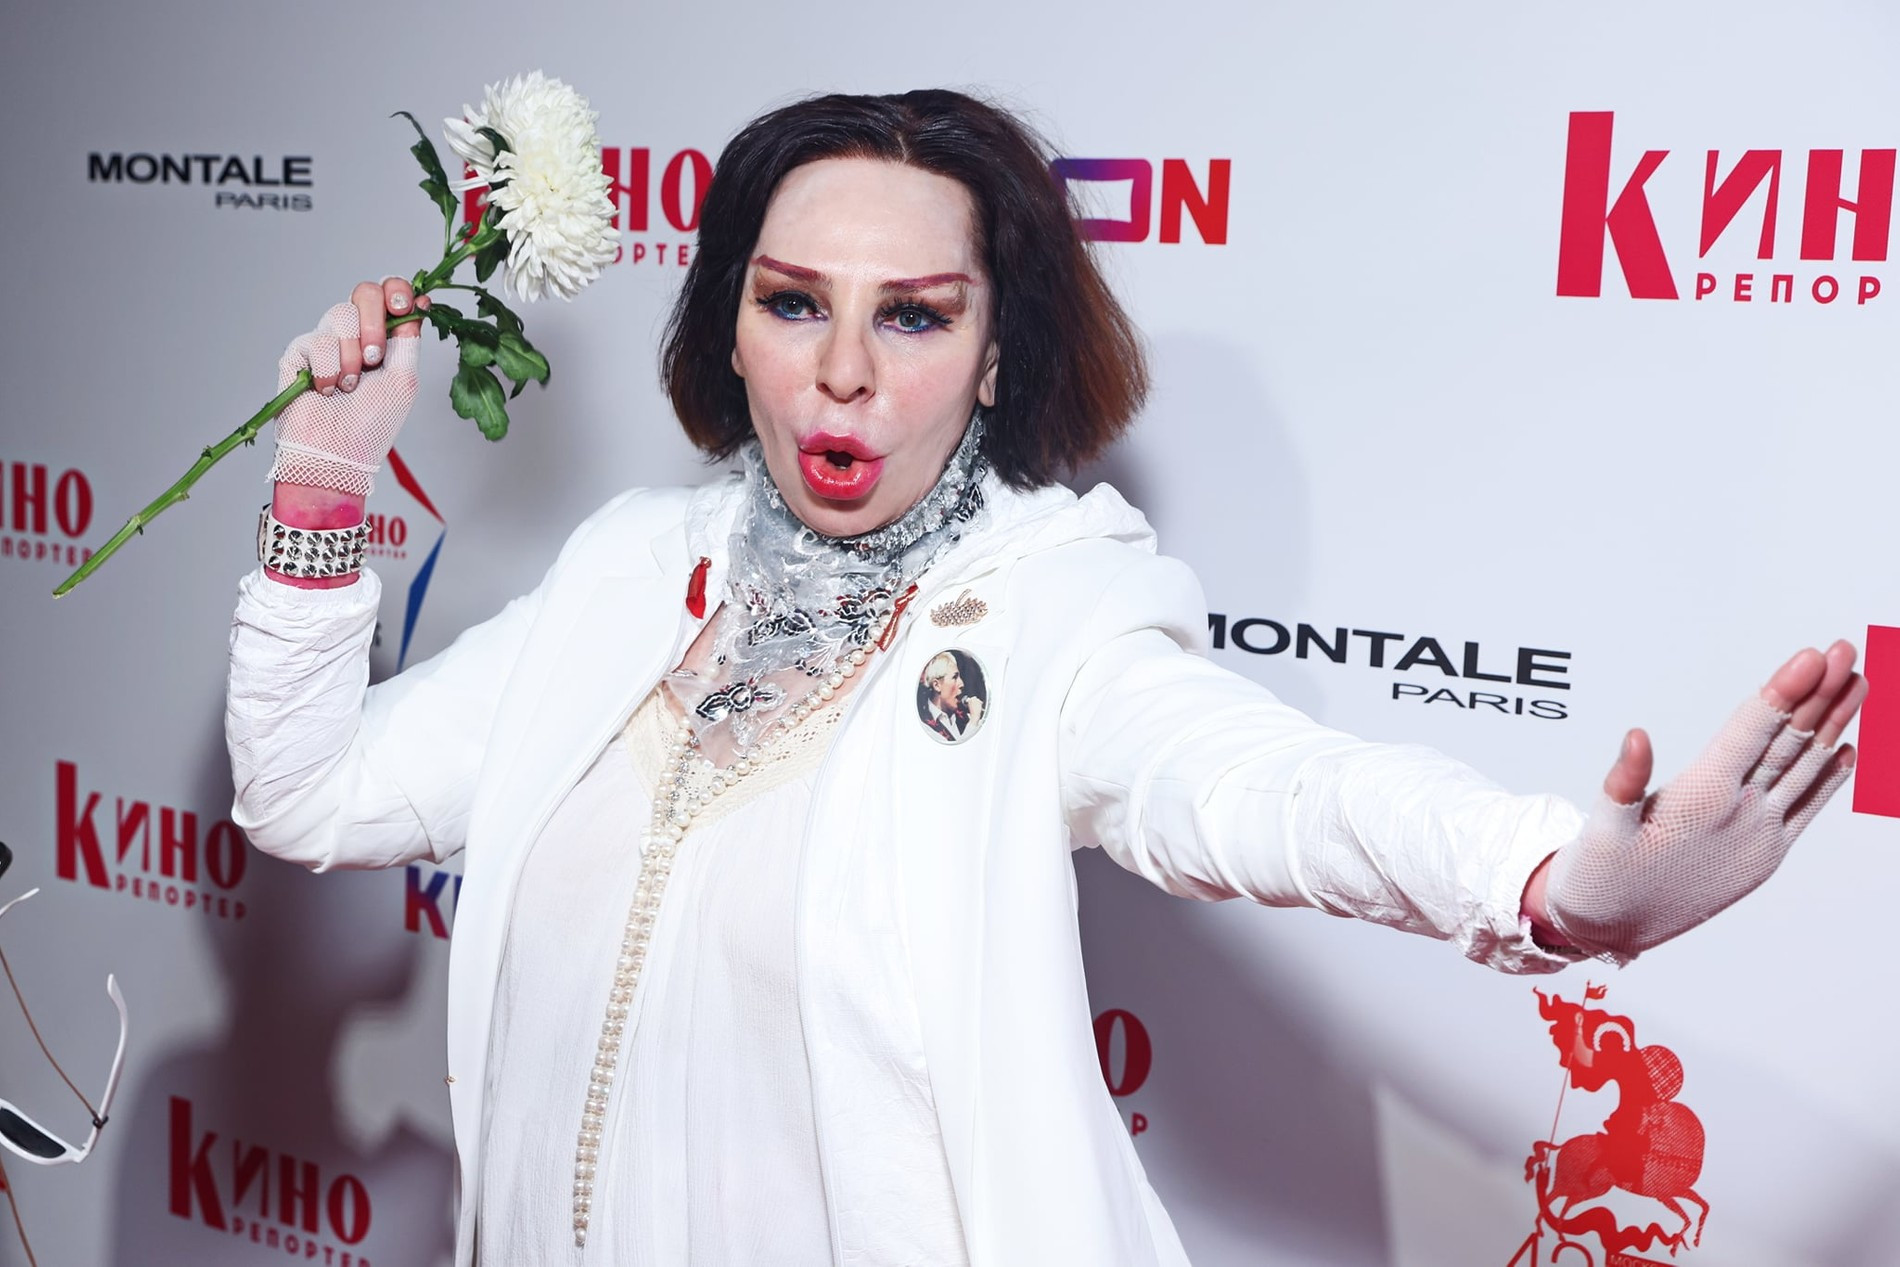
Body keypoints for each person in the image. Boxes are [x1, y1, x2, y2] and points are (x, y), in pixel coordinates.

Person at [225, 90, 1865, 1267]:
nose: (842, 372)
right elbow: (307, 794)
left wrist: (1554, 882)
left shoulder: (1051, 613)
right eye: (793, 304)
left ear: (998, 352)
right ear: (729, 324)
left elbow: (1269, 790)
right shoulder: (623, 575)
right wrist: (322, 483)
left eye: (915, 318)